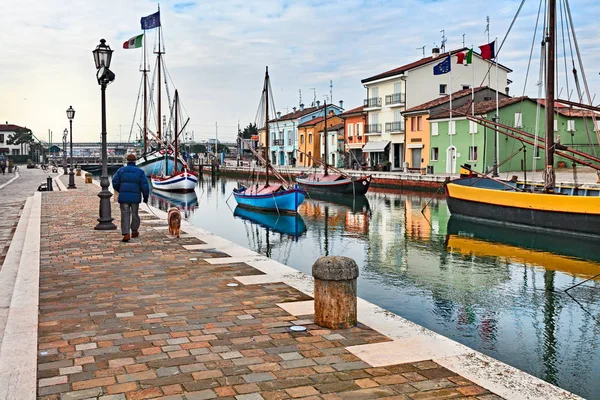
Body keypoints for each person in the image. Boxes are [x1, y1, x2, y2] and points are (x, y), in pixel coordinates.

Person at [111, 154, 149, 242]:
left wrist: (121, 190)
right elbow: (145, 186)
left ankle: (126, 233)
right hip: (135, 198)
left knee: (125, 215)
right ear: (135, 161)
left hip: (124, 197)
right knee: (135, 214)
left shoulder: (121, 170)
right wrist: (145, 197)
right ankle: (134, 231)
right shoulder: (140, 172)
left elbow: (115, 182)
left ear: (127, 160)